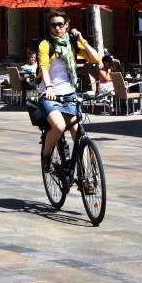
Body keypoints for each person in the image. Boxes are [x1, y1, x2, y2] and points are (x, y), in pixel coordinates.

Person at [37, 10, 100, 172]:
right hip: (49, 94)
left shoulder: (72, 42)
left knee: (79, 135)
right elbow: (44, 67)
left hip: (69, 93)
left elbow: (96, 59)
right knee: (58, 126)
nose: (57, 28)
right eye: (53, 25)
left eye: (60, 24)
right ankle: (46, 155)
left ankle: (87, 177)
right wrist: (49, 87)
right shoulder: (45, 44)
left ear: (67, 25)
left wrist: (82, 41)